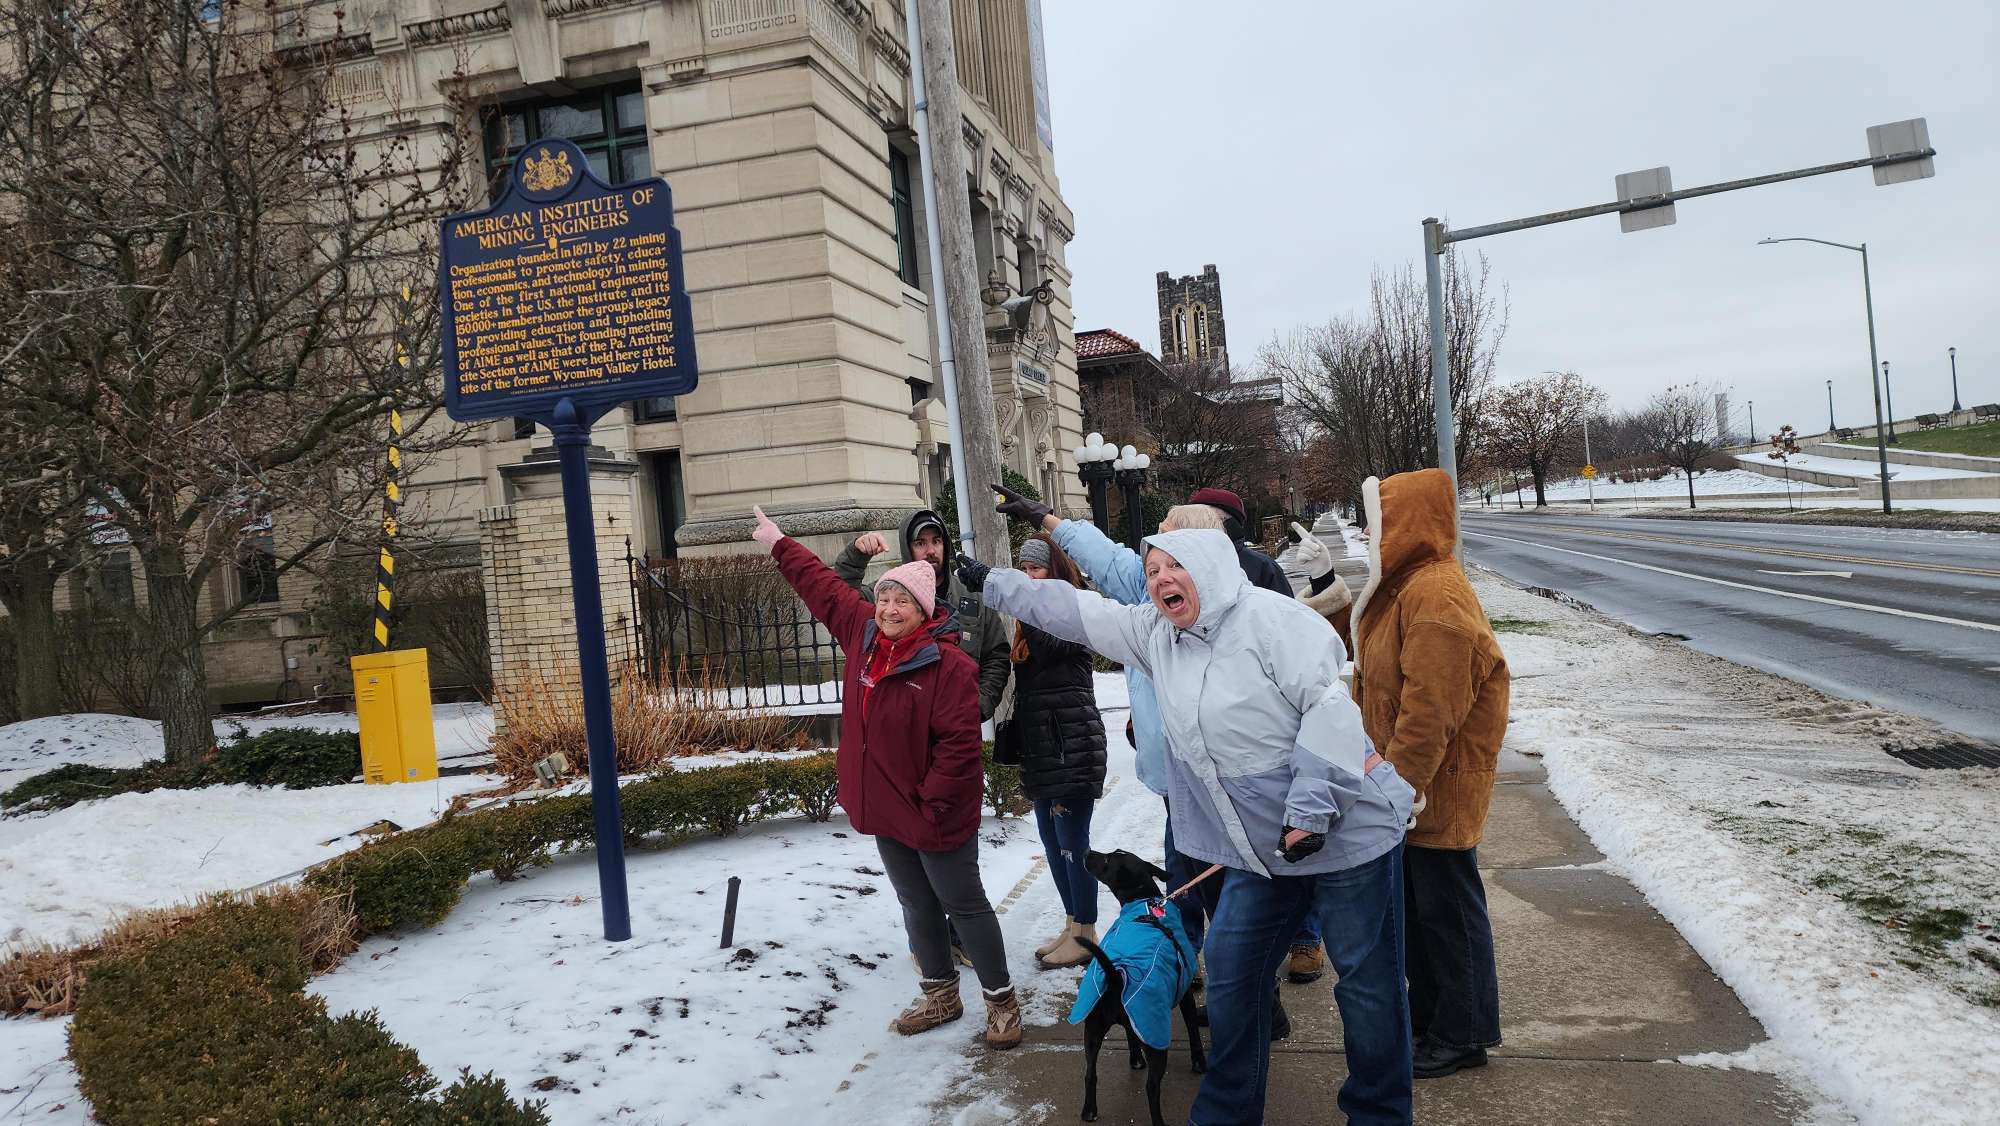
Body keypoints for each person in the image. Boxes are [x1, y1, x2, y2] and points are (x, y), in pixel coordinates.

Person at [960, 529, 1415, 1125]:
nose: (1161, 579)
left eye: (1175, 565)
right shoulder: (1157, 635)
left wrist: (1309, 812)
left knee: (1366, 986)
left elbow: (1329, 711)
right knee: (1232, 974)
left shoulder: (1273, 621)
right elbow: (1078, 611)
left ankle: (1379, 1115)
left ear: (1211, 567)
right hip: (1263, 850)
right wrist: (997, 584)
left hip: (1348, 833)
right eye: (1152, 570)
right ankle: (1226, 1113)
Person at [994, 488, 1299, 1034]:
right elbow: (1102, 565)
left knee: (1233, 896)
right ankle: (1193, 969)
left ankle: (1254, 999)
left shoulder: (1246, 595)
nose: (1155, 558)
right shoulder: (1153, 591)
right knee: (1188, 885)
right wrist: (1047, 519)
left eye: (1169, 543)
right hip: (1176, 779)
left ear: (1200, 547)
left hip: (1227, 781)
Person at [748, 506, 1021, 1049]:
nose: (890, 609)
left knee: (964, 906)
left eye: (903, 601)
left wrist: (932, 804)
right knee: (916, 904)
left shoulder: (948, 666)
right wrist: (779, 542)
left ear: (923, 610)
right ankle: (941, 994)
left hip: (934, 812)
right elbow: (822, 587)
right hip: (886, 805)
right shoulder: (864, 636)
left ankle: (1001, 1001)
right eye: (885, 598)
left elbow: (960, 749)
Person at [1349, 470, 1511, 1079]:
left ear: (1405, 524)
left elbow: (1430, 711)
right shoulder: (1408, 586)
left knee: (1448, 914)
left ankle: (1463, 1033)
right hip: (1412, 787)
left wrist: (1398, 786)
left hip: (1436, 787)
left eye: (1377, 521)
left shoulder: (1436, 597)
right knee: (1422, 912)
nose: (1370, 533)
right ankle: (1433, 1021)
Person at [1001, 534, 1108, 970]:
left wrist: (1026, 602)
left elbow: (1054, 648)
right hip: (1044, 746)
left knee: (1072, 842)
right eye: (1024, 570)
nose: (1029, 578)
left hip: (1071, 744)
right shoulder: (1030, 619)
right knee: (1051, 840)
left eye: (1037, 569)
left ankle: (1086, 931)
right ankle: (1072, 923)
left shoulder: (1073, 610)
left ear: (1056, 570)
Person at [835, 509, 1010, 721]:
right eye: (920, 543)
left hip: (957, 726)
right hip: (903, 726)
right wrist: (855, 557)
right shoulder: (886, 596)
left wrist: (978, 705)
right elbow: (842, 603)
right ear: (907, 549)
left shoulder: (972, 595)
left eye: (936, 541)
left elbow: (996, 656)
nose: (931, 550)